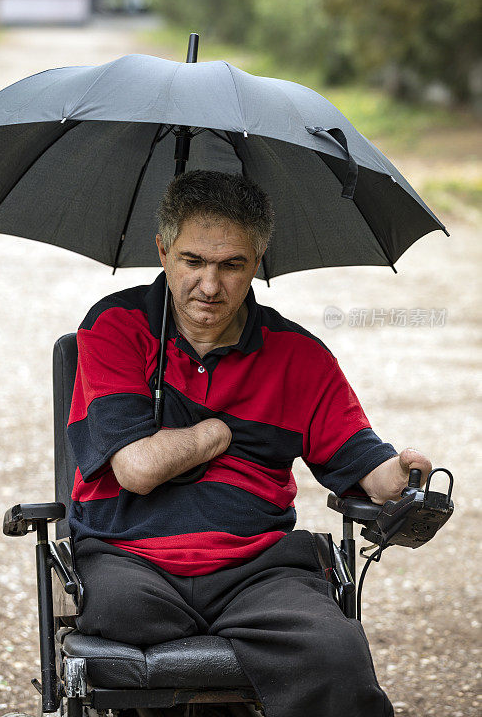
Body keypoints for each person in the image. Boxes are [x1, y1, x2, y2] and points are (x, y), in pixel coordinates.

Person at [67, 169, 432, 717]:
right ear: (163, 251)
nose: (209, 287)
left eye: (231, 265)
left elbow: (365, 462)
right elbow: (137, 469)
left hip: (256, 569)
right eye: (192, 261)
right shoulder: (117, 325)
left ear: (257, 262)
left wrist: (403, 480)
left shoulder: (299, 356)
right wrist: (216, 433)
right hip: (131, 559)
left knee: (336, 653)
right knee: (121, 620)